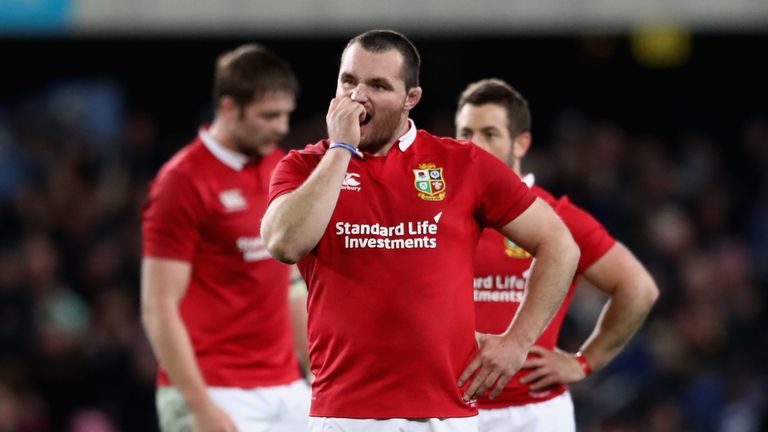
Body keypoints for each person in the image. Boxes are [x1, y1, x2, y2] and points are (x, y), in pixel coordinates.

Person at [260, 30, 580, 432]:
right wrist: (341, 150)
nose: (358, 96)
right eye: (349, 81)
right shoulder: (304, 167)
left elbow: (560, 245)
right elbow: (284, 243)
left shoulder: (462, 163)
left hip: (445, 414)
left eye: (378, 86)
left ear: (411, 98)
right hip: (343, 415)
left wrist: (518, 341)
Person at [455, 78, 660, 431]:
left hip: (533, 414)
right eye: (465, 133)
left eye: (489, 134)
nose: (473, 145)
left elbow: (639, 289)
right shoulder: (435, 217)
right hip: (448, 408)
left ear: (521, 143)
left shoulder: (557, 218)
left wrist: (584, 362)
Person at [141, 44, 310, 432]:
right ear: (230, 108)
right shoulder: (182, 182)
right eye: (269, 116)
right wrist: (200, 407)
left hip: (285, 389)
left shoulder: (278, 168)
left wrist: (314, 369)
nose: (282, 127)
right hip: (214, 390)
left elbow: (290, 283)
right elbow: (158, 307)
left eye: (286, 114)